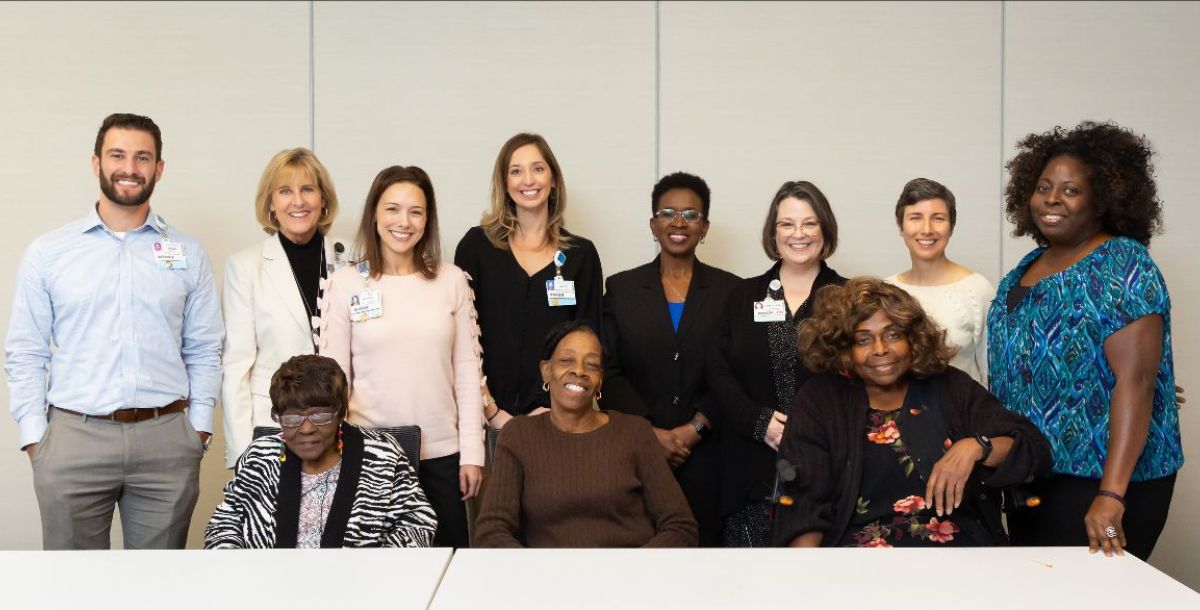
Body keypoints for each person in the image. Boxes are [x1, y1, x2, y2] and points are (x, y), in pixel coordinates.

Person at [5, 113, 223, 549]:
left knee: (157, 587)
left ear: (159, 168)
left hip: (166, 441)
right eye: (117, 155)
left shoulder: (187, 253)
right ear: (95, 163)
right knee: (74, 587)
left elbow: (204, 348)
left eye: (143, 157)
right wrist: (35, 438)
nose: (130, 167)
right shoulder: (49, 252)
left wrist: (197, 429)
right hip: (73, 439)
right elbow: (26, 351)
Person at [988, 121, 1183, 560]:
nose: (1052, 199)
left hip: (1102, 480)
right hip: (1036, 472)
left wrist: (1111, 495)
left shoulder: (1122, 264)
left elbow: (1136, 382)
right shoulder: (1029, 264)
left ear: (1103, 199)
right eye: (1043, 187)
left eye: (1070, 190)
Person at [772, 279, 1051, 547]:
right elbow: (805, 504)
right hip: (859, 561)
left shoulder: (949, 386)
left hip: (958, 555)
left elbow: (1032, 449)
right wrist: (806, 579)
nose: (881, 350)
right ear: (844, 348)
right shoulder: (821, 399)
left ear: (912, 338)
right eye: (863, 340)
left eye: (893, 335)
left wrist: (978, 446)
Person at [320, 165, 484, 548]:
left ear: (428, 220)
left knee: (447, 568)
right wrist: (334, 454)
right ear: (374, 214)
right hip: (368, 455)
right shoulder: (345, 283)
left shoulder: (452, 280)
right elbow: (332, 379)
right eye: (392, 209)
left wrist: (472, 452)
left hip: (442, 456)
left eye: (416, 211)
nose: (403, 222)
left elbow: (467, 372)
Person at [600, 171, 740, 546]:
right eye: (667, 212)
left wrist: (693, 429)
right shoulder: (622, 288)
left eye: (691, 214)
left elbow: (735, 370)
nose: (679, 222)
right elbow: (609, 370)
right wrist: (649, 434)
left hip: (710, 456)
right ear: (652, 224)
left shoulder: (732, 291)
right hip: (635, 453)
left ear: (705, 226)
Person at [473, 321, 698, 547]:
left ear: (600, 381)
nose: (579, 371)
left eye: (591, 365)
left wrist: (632, 571)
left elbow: (680, 526)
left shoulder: (635, 433)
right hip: (549, 578)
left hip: (628, 576)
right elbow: (491, 532)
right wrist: (540, 576)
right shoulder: (519, 435)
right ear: (546, 371)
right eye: (566, 361)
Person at [707, 180, 846, 547]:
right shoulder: (741, 297)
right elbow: (718, 372)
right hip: (752, 472)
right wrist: (759, 422)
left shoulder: (849, 298)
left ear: (825, 229)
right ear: (773, 232)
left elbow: (861, 380)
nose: (798, 234)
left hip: (829, 467)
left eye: (809, 223)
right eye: (787, 224)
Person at [205, 355, 437, 548]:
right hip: (270, 588)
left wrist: (374, 571)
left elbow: (416, 523)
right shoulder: (260, 457)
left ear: (340, 412)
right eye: (292, 418)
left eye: (319, 415)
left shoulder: (382, 455)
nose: (306, 428)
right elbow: (226, 522)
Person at [454, 133, 603, 427]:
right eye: (516, 171)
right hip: (483, 418)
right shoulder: (476, 247)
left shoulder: (580, 255)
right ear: (505, 184)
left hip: (557, 418)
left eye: (538, 168)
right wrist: (491, 410)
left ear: (553, 180)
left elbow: (590, 342)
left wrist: (552, 405)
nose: (528, 180)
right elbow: (461, 337)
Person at [221, 148, 349, 468]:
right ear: (270, 204)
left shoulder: (354, 257)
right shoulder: (245, 267)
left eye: (307, 189)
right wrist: (241, 453)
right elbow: (236, 365)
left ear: (323, 199)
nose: (298, 201)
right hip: (275, 427)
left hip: (345, 423)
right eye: (285, 191)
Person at [884, 178, 993, 384]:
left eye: (938, 218)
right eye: (915, 217)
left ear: (951, 226)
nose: (927, 229)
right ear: (900, 226)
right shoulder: (886, 291)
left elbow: (994, 374)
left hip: (963, 413)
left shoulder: (978, 291)